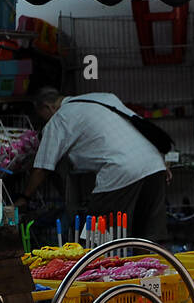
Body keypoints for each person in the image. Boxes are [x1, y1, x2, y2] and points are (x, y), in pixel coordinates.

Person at [13, 88, 170, 243]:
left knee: (97, 239)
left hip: (121, 170)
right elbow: (140, 125)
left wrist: (24, 197)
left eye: (43, 118)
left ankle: (99, 267)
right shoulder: (104, 98)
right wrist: (162, 161)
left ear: (47, 107)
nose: (45, 123)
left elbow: (42, 167)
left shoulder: (60, 118)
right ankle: (148, 267)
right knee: (147, 237)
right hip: (154, 164)